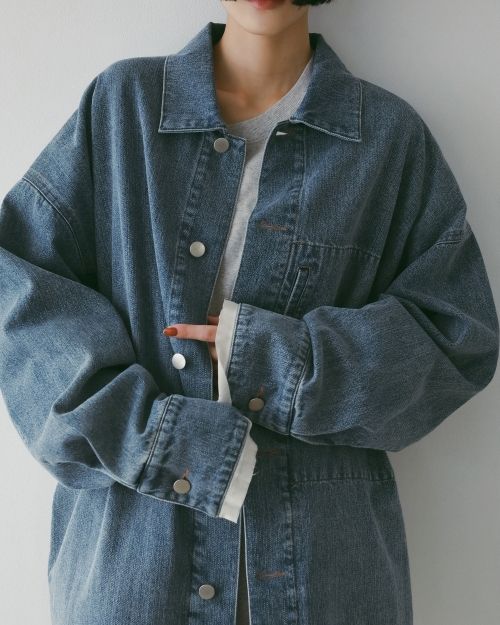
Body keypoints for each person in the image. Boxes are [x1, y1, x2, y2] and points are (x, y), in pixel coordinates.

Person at [0, 1, 498, 624]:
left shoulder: (387, 139)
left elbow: (457, 335)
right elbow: (16, 287)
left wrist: (275, 363)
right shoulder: (125, 107)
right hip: (134, 577)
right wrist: (155, 438)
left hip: (325, 583)